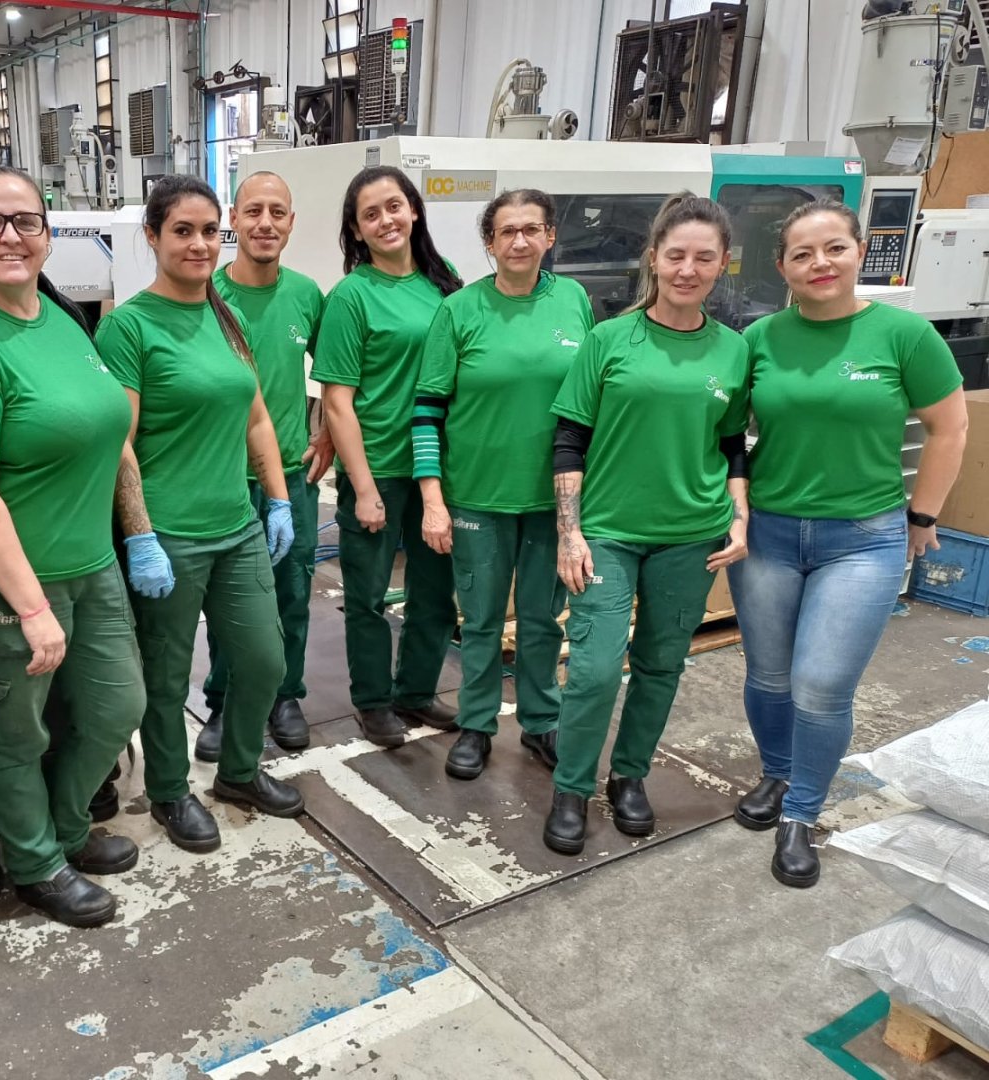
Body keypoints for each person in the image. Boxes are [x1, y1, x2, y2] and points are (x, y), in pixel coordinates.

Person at [0, 166, 147, 928]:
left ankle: (68, 828)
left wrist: (137, 535)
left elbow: (106, 432)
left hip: (92, 562)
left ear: (48, 235)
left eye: (26, 220)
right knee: (17, 733)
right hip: (13, 582)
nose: (10, 235)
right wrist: (30, 606)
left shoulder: (60, 320)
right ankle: (36, 862)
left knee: (117, 706)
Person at [728, 198, 967, 888]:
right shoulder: (759, 339)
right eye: (802, 254)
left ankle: (802, 813)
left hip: (862, 539)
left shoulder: (904, 335)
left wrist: (923, 516)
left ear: (860, 251)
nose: (820, 263)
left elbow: (949, 427)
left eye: (834, 247)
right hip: (769, 532)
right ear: (782, 268)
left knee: (821, 684)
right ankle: (778, 773)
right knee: (769, 676)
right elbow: (725, 433)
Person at [95, 175, 305, 853]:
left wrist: (277, 498)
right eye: (182, 230)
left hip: (237, 527)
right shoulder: (129, 327)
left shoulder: (225, 315)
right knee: (165, 677)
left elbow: (256, 418)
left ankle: (239, 771)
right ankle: (169, 791)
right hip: (171, 534)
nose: (199, 244)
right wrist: (140, 536)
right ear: (152, 236)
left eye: (210, 231)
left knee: (265, 660)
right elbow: (119, 442)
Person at [544, 193, 750, 856]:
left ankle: (629, 775)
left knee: (662, 664)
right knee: (597, 667)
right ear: (653, 258)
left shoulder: (734, 351)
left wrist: (739, 514)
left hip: (692, 533)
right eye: (676, 255)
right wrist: (569, 532)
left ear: (723, 263)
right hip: (607, 531)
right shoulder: (609, 340)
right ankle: (572, 787)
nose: (688, 269)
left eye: (704, 258)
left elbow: (732, 445)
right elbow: (569, 440)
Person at [413, 189, 593, 780]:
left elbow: (591, 401)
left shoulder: (573, 300)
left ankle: (542, 722)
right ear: (489, 243)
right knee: (482, 620)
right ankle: (477, 724)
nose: (519, 240)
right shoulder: (459, 310)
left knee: (542, 619)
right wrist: (433, 499)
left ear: (550, 236)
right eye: (506, 231)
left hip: (551, 501)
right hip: (477, 498)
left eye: (531, 229)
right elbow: (427, 410)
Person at [312, 166, 463, 749]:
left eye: (394, 206)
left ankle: (416, 691)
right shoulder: (351, 297)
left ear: (414, 210)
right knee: (369, 596)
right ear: (356, 230)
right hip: (376, 467)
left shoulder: (445, 283)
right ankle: (373, 701)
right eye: (370, 214)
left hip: (439, 471)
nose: (386, 220)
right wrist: (365, 487)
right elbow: (338, 402)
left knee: (434, 590)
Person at [196, 171, 329, 762]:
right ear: (234, 220)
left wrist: (327, 434)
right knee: (229, 600)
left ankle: (285, 695)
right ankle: (224, 699)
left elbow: (339, 372)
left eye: (277, 212)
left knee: (292, 589)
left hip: (291, 477)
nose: (265, 223)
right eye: (253, 211)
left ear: (292, 223)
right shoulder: (206, 296)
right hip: (224, 476)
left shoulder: (307, 295)